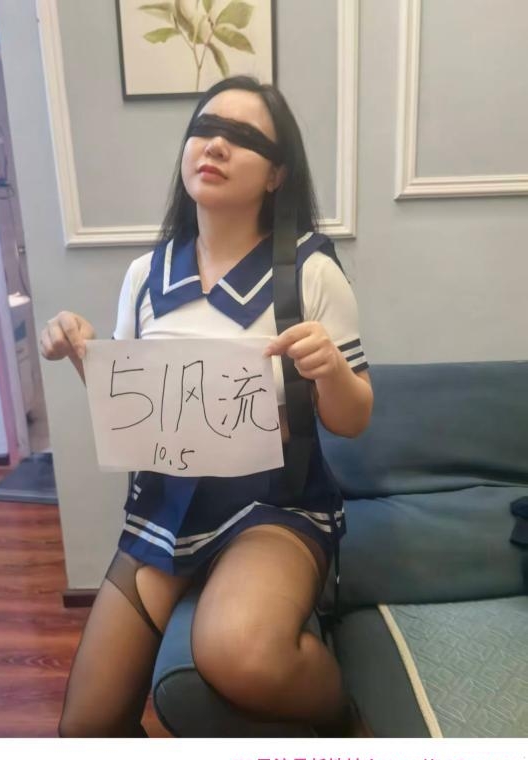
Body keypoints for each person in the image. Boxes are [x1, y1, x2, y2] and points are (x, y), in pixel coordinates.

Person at [40, 76, 374, 738]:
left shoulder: (309, 271)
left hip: (273, 508)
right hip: (167, 509)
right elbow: (137, 412)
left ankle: (348, 721)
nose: (216, 144)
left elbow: (353, 419)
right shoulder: (146, 275)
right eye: (206, 128)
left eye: (243, 137)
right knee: (86, 729)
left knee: (237, 652)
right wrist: (84, 354)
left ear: (277, 174)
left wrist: (332, 370)